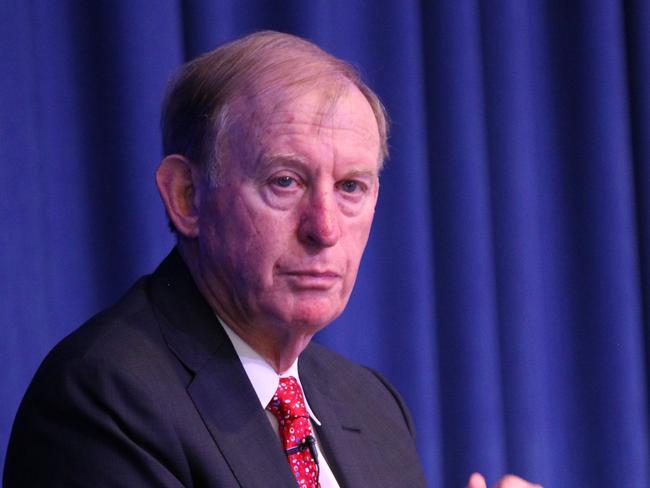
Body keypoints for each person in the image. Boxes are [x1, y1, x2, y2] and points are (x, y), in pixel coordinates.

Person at [4, 31, 540, 488]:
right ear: (187, 195)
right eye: (285, 182)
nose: (324, 229)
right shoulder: (104, 400)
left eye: (351, 186)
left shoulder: (372, 407)